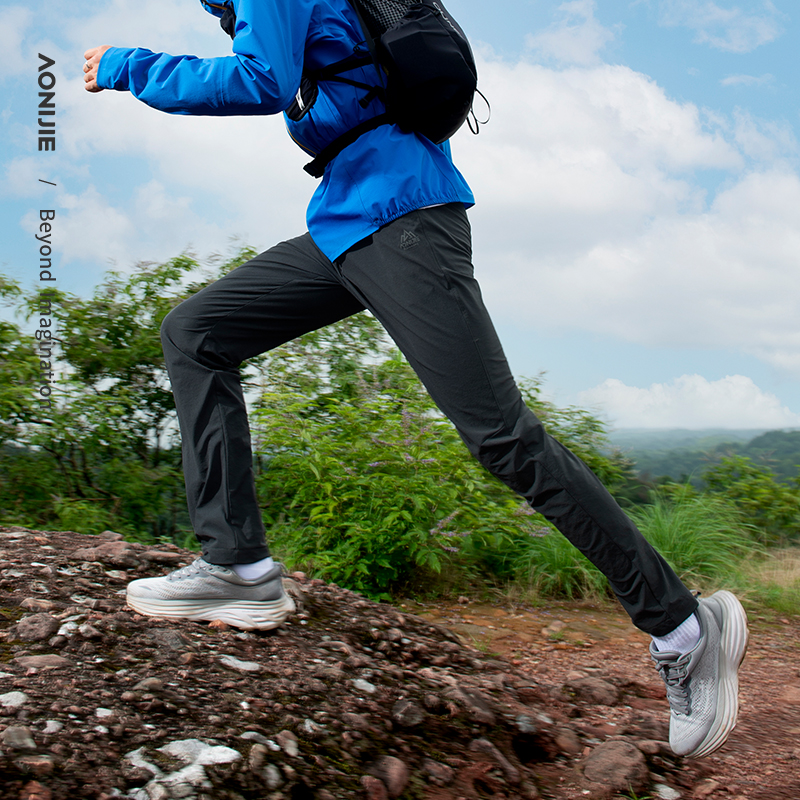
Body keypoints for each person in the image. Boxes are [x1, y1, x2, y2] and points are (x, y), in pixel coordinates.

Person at [83, 0, 748, 759]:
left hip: (400, 219)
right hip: (349, 219)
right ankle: (237, 565)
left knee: (503, 438)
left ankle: (683, 628)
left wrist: (127, 67)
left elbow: (261, 80)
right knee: (196, 332)